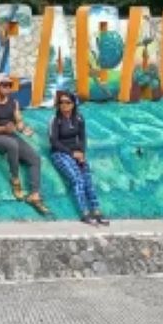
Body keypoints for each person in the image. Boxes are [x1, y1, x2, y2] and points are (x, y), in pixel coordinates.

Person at [0, 73, 49, 214]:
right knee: (12, 144)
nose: (8, 88)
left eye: (9, 85)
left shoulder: (14, 102)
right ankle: (15, 180)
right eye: (4, 85)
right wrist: (3, 128)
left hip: (11, 134)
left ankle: (34, 194)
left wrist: (23, 128)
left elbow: (19, 121)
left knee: (35, 158)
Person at [48, 90, 109, 225]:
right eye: (61, 102)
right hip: (60, 153)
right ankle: (84, 213)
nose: (64, 105)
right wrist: (71, 153)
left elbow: (82, 138)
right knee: (77, 180)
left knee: (87, 179)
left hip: (76, 153)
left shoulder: (79, 118)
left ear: (73, 104)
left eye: (67, 102)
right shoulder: (55, 120)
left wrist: (81, 153)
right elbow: (54, 141)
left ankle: (96, 211)